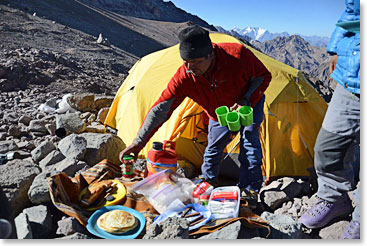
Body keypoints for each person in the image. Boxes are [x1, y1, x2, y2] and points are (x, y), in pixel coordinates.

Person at [119, 25, 272, 207]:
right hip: (219, 111)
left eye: (197, 62)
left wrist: (247, 99)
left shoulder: (237, 55)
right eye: (186, 62)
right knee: (213, 147)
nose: (190, 68)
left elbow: (264, 76)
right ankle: (208, 181)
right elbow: (160, 110)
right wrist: (138, 143)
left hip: (248, 104)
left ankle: (250, 188)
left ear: (211, 54)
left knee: (250, 141)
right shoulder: (184, 78)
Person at [299, 0, 360, 239]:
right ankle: (335, 198)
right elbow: (352, 10)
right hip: (351, 77)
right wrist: (336, 48)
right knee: (327, 147)